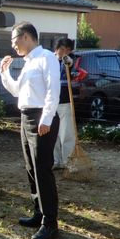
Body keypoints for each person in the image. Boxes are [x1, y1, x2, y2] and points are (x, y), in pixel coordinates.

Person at [0, 22, 60, 239]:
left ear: (26, 37)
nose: (13, 45)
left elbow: (54, 90)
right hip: (26, 118)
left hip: (41, 118)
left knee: (42, 169)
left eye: (15, 40)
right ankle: (38, 212)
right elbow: (17, 91)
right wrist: (5, 73)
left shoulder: (46, 58)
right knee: (30, 167)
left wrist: (46, 119)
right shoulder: (28, 63)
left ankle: (50, 223)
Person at [53, 38, 76, 169]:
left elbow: (70, 62)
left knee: (66, 133)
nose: (64, 52)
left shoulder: (68, 60)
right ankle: (55, 161)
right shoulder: (49, 60)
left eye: (67, 50)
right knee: (52, 134)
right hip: (50, 103)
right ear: (56, 49)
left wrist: (67, 61)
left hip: (65, 102)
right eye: (62, 49)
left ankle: (67, 162)